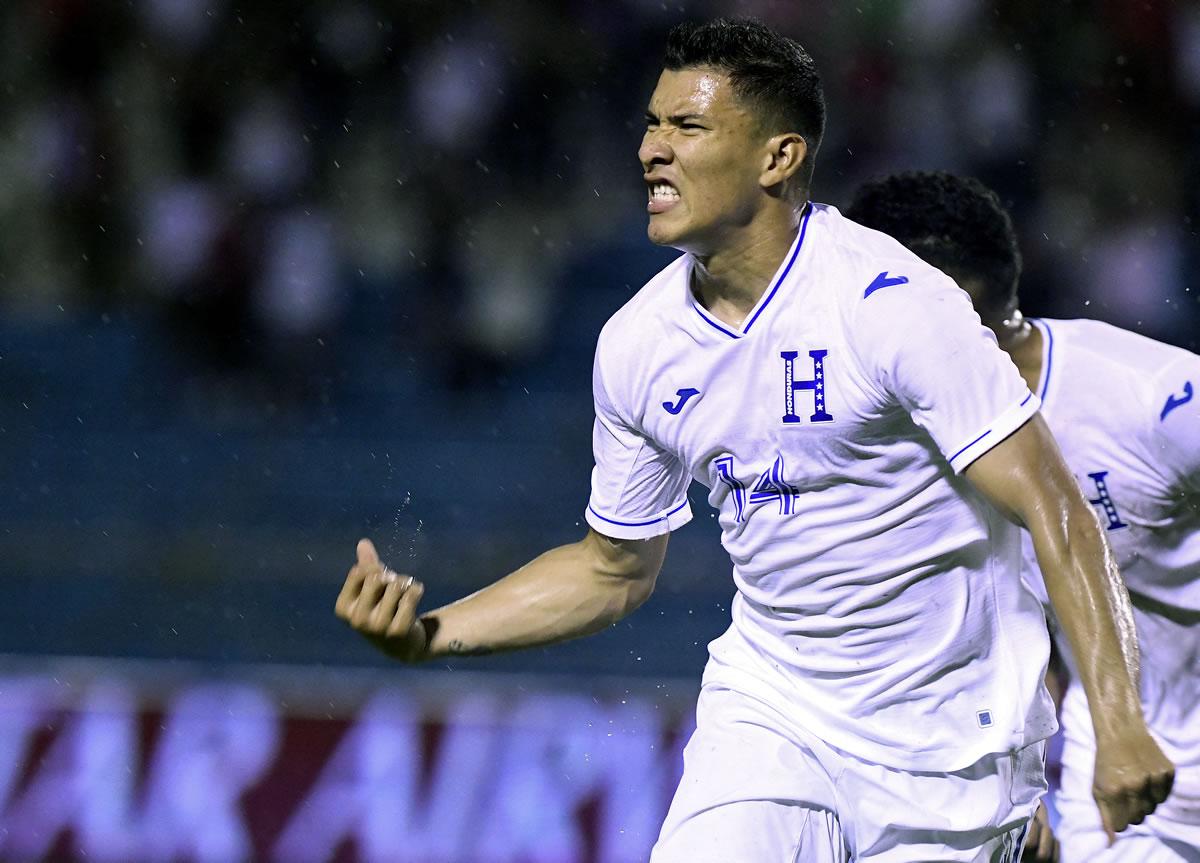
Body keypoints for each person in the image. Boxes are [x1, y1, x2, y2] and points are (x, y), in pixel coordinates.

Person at [335, 19, 1173, 862]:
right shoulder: (638, 344)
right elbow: (611, 569)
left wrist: (1118, 724)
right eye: (652, 124)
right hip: (776, 714)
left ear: (778, 158)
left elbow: (1056, 506)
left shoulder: (891, 303)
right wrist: (432, 633)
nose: (652, 151)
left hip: (952, 749)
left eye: (687, 127)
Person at [846, 170, 1199, 863]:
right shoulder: (901, 448)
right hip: (1127, 785)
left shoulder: (1152, 399)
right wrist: (1017, 777)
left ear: (939, 303)